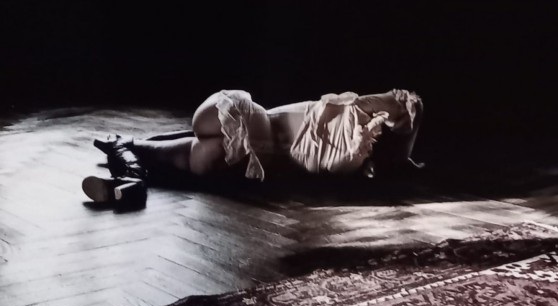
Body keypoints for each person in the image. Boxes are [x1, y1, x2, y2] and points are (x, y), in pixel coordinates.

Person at [83, 88, 424, 210]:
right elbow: (408, 105)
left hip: (251, 147)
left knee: (198, 144)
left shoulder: (354, 147)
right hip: (250, 154)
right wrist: (390, 143)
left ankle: (129, 165)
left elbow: (408, 105)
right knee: (187, 149)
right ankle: (128, 167)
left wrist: (381, 141)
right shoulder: (357, 127)